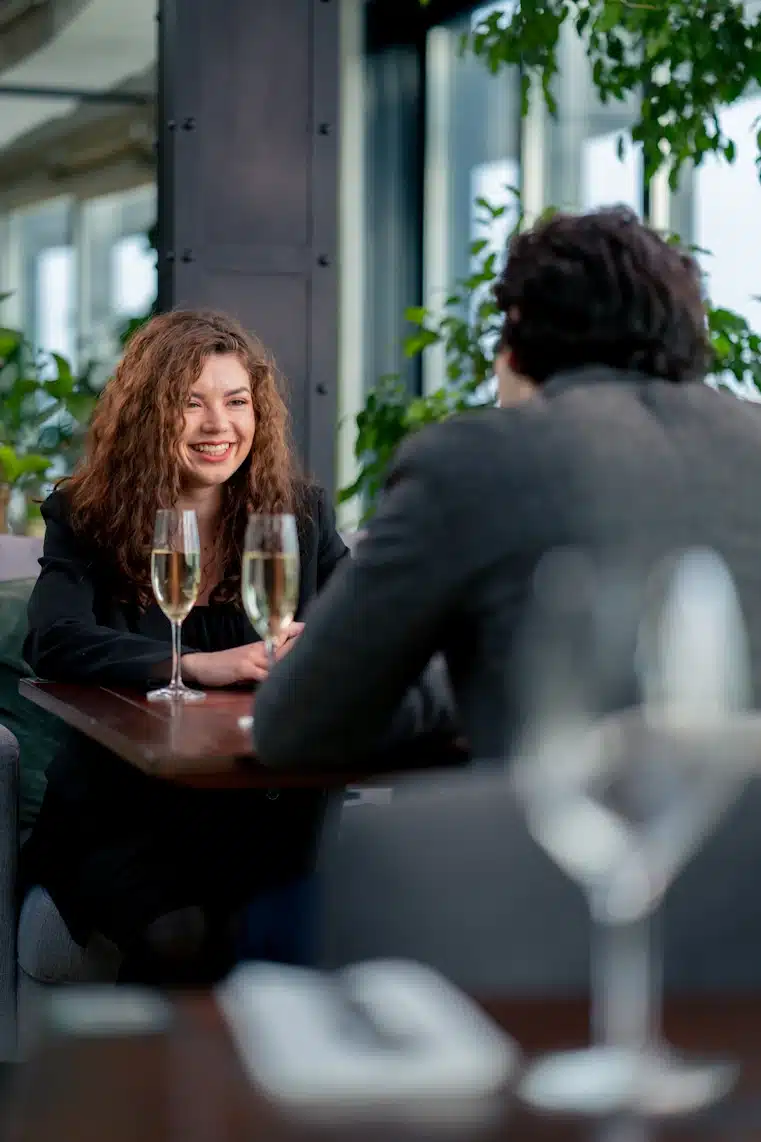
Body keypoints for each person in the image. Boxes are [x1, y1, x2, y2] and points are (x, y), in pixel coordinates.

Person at [252, 205, 761, 767]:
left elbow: (295, 724)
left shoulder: (478, 459)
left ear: (516, 329)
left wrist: (458, 670)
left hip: (568, 842)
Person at [21, 309, 349, 984]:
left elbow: (364, 616)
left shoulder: (299, 514)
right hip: (124, 810)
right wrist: (197, 665)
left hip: (261, 807)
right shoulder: (85, 516)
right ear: (149, 414)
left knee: (266, 919)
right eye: (189, 404)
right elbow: (52, 640)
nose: (218, 425)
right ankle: (148, 1083)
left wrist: (324, 643)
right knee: (182, 933)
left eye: (236, 402)